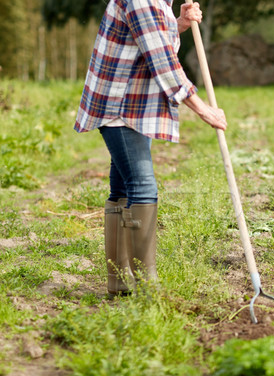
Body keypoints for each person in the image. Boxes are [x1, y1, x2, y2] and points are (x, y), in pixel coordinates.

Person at [75, 0, 227, 297]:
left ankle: (120, 281)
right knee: (142, 186)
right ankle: (147, 287)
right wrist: (203, 109)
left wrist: (179, 24)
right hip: (120, 103)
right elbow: (162, 61)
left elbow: (152, 36)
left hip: (135, 104)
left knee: (122, 188)